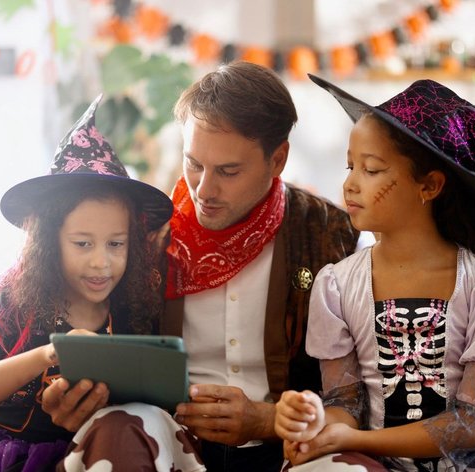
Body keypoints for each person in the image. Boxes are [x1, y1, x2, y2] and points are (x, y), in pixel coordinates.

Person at [41, 61, 361, 471]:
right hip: (171, 440)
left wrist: (267, 420)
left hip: (288, 446)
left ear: (277, 159)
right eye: (194, 164)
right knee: (118, 426)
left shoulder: (331, 236)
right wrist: (75, 398)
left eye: (228, 171)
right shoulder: (145, 236)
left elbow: (352, 397)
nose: (204, 190)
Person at [272, 76, 475, 471]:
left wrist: (357, 438)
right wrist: (316, 421)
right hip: (372, 462)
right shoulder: (337, 284)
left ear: (428, 185)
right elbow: (345, 404)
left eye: (372, 169)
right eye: (350, 166)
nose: (350, 184)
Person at [0, 95, 190, 471]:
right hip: (5, 454)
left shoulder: (131, 310)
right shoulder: (22, 299)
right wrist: (50, 354)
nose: (101, 261)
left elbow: (153, 400)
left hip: (95, 453)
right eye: (82, 244)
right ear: (49, 243)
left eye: (116, 244)